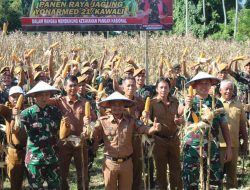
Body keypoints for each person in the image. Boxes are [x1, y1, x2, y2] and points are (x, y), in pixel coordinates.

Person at [85, 91, 161, 190]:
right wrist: (87, 125)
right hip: (110, 163)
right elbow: (91, 134)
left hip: (127, 163)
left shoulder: (131, 120)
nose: (117, 107)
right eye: (114, 105)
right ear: (110, 106)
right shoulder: (102, 121)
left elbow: (143, 129)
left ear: (124, 106)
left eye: (120, 104)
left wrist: (153, 129)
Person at [182, 72, 232, 189]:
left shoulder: (217, 103)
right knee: (190, 182)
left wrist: (229, 147)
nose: (204, 86)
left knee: (213, 181)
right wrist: (186, 106)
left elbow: (224, 126)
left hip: (211, 147)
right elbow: (180, 116)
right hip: (192, 148)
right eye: (201, 83)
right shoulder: (188, 101)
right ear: (194, 86)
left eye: (207, 83)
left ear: (211, 86)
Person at [48, 75, 96, 190]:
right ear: (65, 87)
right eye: (70, 86)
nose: (73, 88)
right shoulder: (59, 101)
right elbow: (46, 100)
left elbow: (95, 121)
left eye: (75, 85)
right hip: (64, 143)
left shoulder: (85, 103)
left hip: (81, 142)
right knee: (62, 173)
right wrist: (55, 85)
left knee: (82, 174)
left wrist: (89, 123)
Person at [18, 81, 62, 189]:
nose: (44, 98)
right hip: (34, 159)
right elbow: (17, 131)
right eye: (41, 95)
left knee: (55, 186)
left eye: (47, 94)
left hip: (52, 157)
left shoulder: (55, 111)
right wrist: (15, 117)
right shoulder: (26, 114)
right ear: (34, 96)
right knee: (35, 187)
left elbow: (60, 131)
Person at [149, 77, 183, 189]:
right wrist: (153, 126)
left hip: (174, 139)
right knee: (160, 171)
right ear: (157, 89)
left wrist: (180, 121)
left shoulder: (175, 101)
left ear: (169, 89)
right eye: (161, 87)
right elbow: (146, 120)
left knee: (176, 170)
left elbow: (181, 118)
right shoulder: (152, 103)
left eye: (166, 87)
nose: (163, 90)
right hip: (159, 141)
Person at [218, 80, 248, 188]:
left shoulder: (239, 106)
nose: (228, 91)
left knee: (232, 175)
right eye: (226, 89)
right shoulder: (216, 104)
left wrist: (245, 141)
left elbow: (242, 125)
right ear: (220, 90)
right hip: (220, 145)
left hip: (234, 144)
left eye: (230, 89)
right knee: (218, 175)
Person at [0, 86, 27, 190]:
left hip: (30, 151)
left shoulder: (29, 110)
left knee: (32, 183)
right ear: (9, 99)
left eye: (18, 96)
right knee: (15, 185)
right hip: (14, 152)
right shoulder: (7, 111)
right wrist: (13, 115)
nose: (16, 99)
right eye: (13, 96)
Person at [122, 76, 145, 190]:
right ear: (123, 87)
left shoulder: (140, 101)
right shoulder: (118, 101)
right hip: (123, 139)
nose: (131, 88)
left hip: (136, 138)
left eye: (133, 85)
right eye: (128, 85)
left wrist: (145, 117)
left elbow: (144, 116)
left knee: (137, 165)